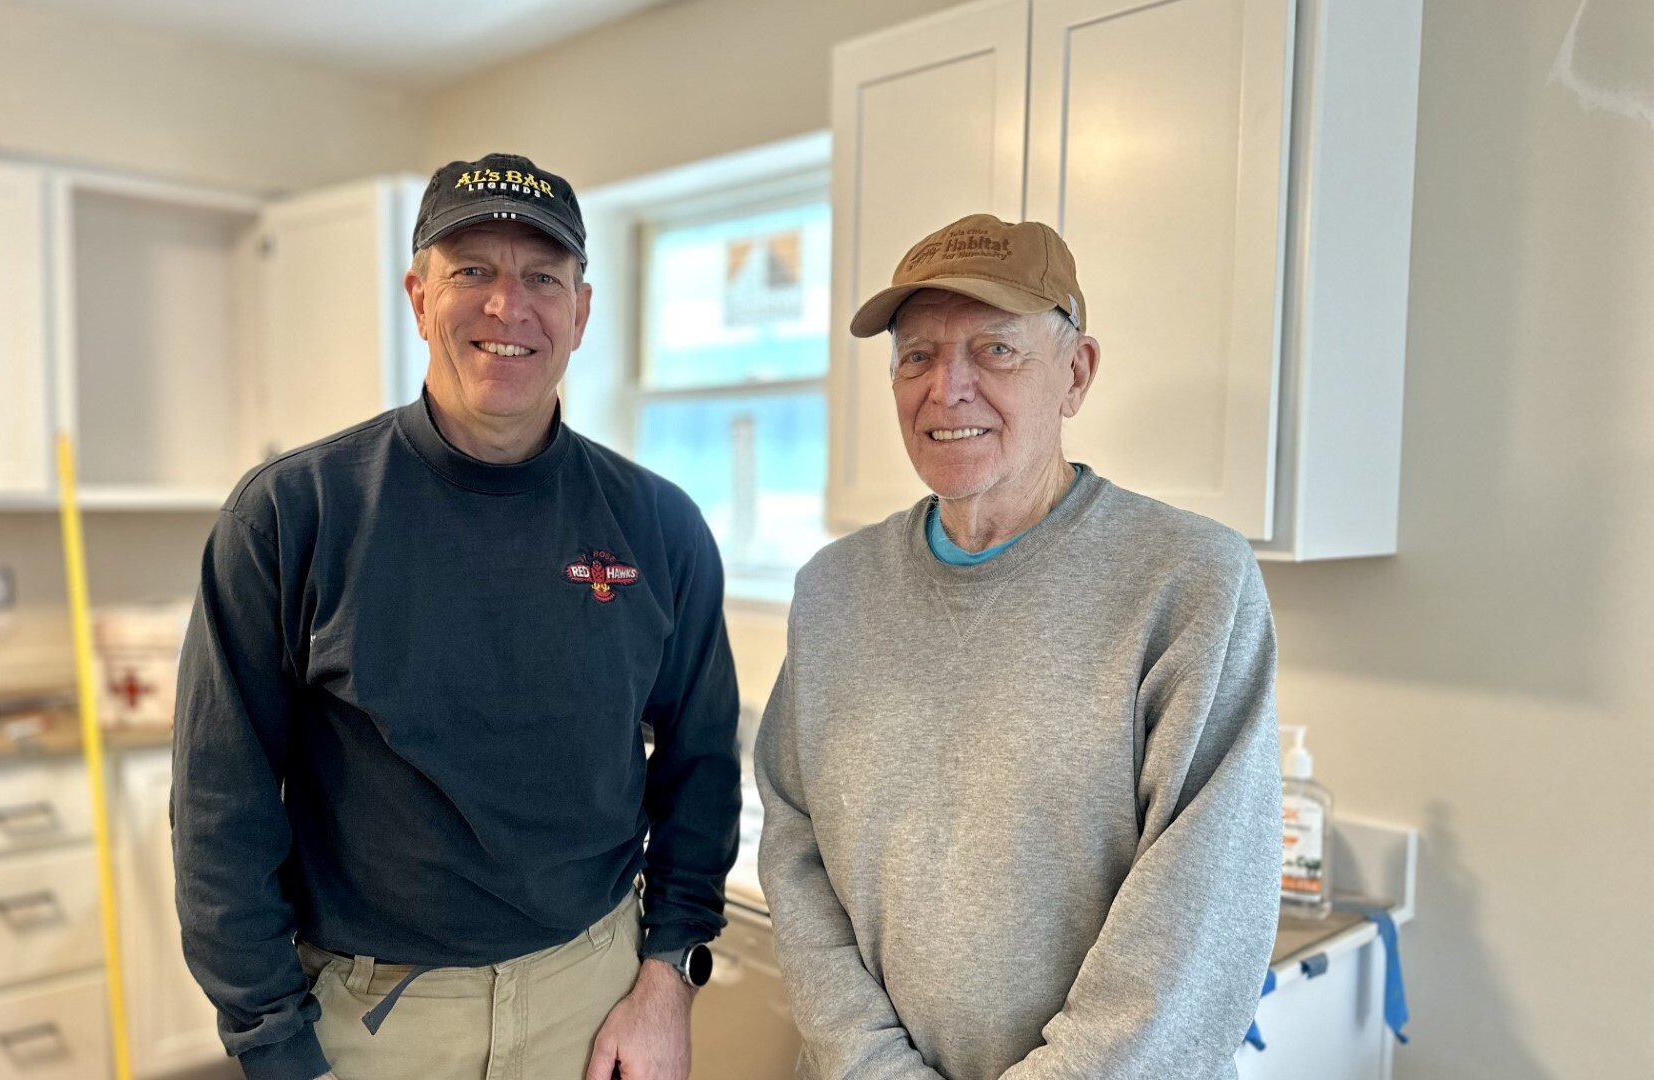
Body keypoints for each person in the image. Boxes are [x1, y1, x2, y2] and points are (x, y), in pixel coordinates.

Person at [173, 153, 741, 1080]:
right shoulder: (292, 516)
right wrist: (274, 1045)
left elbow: (703, 767)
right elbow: (218, 810)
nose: (506, 307)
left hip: (596, 1005)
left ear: (582, 312)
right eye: (471, 270)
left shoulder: (660, 526)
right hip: (376, 1020)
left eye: (541, 278)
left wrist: (668, 978)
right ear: (419, 295)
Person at [754, 213, 1281, 1080]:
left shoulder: (1189, 582)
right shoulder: (833, 592)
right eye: (917, 355)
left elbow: (1196, 928)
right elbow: (794, 849)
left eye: (996, 350)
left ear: (1076, 373)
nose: (947, 387)